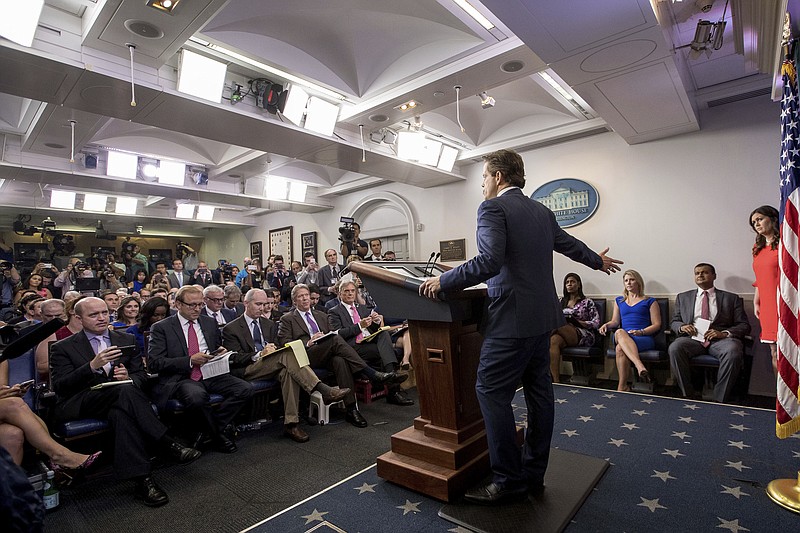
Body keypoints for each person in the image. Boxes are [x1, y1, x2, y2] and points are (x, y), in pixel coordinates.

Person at [419, 149, 621, 505]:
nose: (482, 184)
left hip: (510, 321)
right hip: (542, 319)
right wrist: (595, 260)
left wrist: (445, 281)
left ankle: (508, 480)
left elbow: (488, 261)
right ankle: (533, 474)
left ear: (498, 177)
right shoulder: (541, 210)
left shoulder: (492, 208)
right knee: (539, 395)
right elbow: (568, 244)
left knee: (490, 391)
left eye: (483, 177)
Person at [50, 297, 200, 506]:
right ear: (78, 318)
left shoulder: (124, 339)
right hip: (83, 400)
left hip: (120, 401)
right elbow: (61, 386)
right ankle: (166, 442)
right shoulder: (63, 347)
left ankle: (143, 481)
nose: (101, 318)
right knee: (124, 392)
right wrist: (92, 366)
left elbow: (142, 377)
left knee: (121, 413)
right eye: (93, 315)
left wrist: (128, 376)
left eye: (104, 312)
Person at [222, 288, 349, 443]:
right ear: (246, 303)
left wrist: (272, 350)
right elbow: (234, 358)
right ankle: (322, 389)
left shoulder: (268, 324)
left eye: (264, 304)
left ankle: (291, 424)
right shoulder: (232, 328)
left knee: (288, 372)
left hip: (274, 365)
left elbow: (277, 345)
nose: (262, 308)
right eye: (258, 304)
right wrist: (259, 354)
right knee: (287, 354)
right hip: (249, 368)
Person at [277, 284, 404, 428]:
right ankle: (371, 373)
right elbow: (284, 343)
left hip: (326, 352)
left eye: (306, 295)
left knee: (340, 360)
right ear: (294, 300)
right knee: (336, 339)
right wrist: (308, 342)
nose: (305, 298)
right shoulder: (287, 319)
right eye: (301, 296)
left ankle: (351, 409)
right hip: (305, 356)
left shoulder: (321, 315)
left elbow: (332, 334)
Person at [147, 285, 253, 453]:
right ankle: (217, 435)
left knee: (245, 389)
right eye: (192, 305)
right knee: (196, 396)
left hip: (211, 371)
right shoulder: (162, 328)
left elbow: (216, 347)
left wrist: (221, 351)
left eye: (200, 304)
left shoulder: (209, 322)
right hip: (183, 376)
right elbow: (155, 363)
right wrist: (189, 360)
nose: (197, 309)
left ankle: (206, 431)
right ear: (178, 304)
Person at [0, 359, 101, 475]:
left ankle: (10, 489)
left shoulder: (1, 359)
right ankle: (59, 456)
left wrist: (12, 392)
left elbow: (2, 392)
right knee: (14, 404)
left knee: (12, 434)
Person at [668, 263, 751, 403]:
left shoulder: (731, 298)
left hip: (720, 340)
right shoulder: (683, 297)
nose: (700, 275)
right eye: (697, 273)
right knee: (675, 348)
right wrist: (682, 327)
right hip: (693, 339)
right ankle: (687, 394)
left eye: (705, 272)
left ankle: (720, 398)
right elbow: (674, 322)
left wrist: (724, 333)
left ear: (714, 276)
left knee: (733, 350)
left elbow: (744, 325)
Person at [327, 279, 413, 406]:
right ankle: (393, 389)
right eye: (346, 291)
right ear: (340, 294)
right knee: (386, 351)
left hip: (367, 341)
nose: (350, 294)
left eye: (352, 291)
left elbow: (371, 330)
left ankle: (390, 380)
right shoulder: (334, 311)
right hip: (351, 346)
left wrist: (376, 322)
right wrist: (359, 326)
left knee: (383, 333)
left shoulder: (362, 309)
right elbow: (338, 335)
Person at [599, 270, 659, 392]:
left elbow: (657, 324)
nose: (628, 283)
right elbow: (615, 322)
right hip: (623, 335)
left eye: (631, 279)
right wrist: (606, 324)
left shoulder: (650, 301)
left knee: (619, 348)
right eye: (626, 280)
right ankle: (639, 365)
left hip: (643, 337)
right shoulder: (619, 301)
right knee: (620, 332)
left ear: (638, 282)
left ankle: (622, 386)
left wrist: (641, 332)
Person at [549, 273, 600, 383]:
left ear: (579, 284)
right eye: (567, 282)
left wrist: (579, 322)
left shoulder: (587, 302)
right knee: (553, 341)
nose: (569, 284)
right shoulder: (561, 302)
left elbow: (596, 323)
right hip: (563, 332)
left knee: (558, 325)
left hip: (584, 334)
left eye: (572, 282)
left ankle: (539, 340)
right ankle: (556, 380)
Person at [750, 205, 780, 376]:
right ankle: (783, 397)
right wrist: (756, 301)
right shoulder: (757, 248)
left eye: (760, 219)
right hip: (767, 306)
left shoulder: (787, 244)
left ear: (773, 219)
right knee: (774, 352)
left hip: (784, 303)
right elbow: (760, 278)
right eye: (754, 222)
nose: (757, 224)